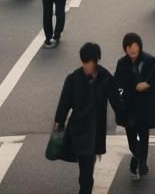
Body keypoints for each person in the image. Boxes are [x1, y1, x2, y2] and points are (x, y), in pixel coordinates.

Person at [53, 43, 124, 194]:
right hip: (78, 128)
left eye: (89, 62)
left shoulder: (105, 77)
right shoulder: (73, 79)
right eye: (84, 62)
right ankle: (85, 187)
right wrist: (59, 121)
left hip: (95, 129)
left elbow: (116, 100)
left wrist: (123, 116)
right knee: (85, 164)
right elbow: (64, 102)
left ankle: (84, 189)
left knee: (86, 166)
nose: (87, 66)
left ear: (96, 61)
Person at [114, 34, 155, 180]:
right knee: (131, 138)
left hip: (145, 106)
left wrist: (147, 86)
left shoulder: (151, 61)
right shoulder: (122, 63)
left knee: (143, 136)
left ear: (140, 46)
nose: (133, 49)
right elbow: (117, 83)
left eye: (135, 46)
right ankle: (137, 157)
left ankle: (141, 163)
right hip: (129, 107)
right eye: (129, 47)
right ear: (125, 49)